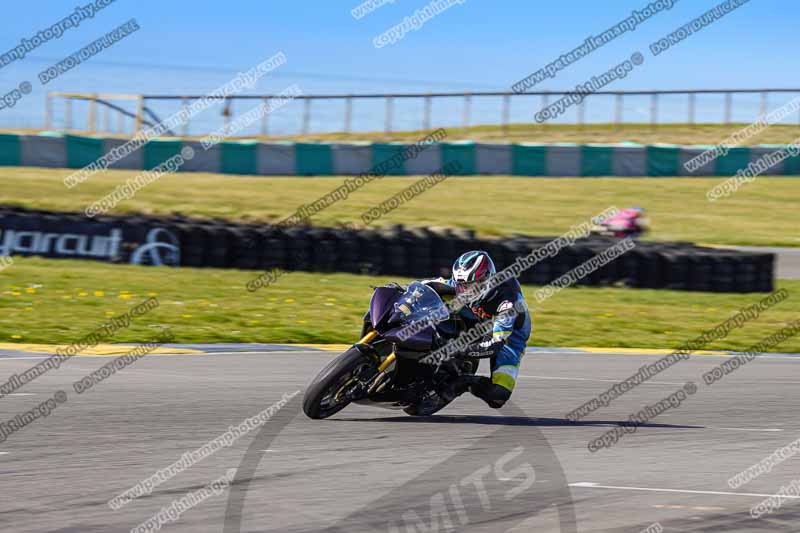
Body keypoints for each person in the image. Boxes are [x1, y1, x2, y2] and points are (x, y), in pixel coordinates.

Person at [423, 250, 531, 409]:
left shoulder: (509, 303)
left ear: (486, 280)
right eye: (461, 286)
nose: (465, 291)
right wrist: (402, 290)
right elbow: (428, 284)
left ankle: (464, 382)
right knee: (435, 298)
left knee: (498, 397)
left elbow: (495, 345)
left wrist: (457, 351)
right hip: (476, 318)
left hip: (506, 339)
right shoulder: (461, 285)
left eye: (470, 286)